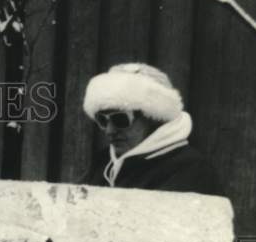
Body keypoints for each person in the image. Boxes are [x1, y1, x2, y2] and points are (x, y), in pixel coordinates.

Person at [82, 63, 224, 196]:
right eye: (102, 120)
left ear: (153, 119)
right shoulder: (104, 162)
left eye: (120, 119)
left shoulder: (191, 169)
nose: (109, 130)